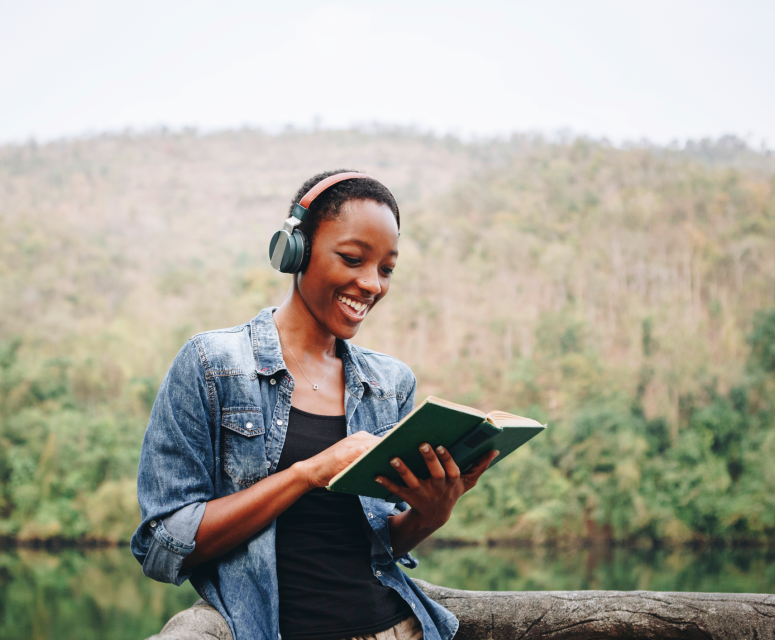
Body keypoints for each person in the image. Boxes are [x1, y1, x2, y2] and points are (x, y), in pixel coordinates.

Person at [131, 170, 499, 640]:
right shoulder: (212, 365)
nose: (372, 284)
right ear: (294, 250)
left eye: (386, 269)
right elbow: (163, 543)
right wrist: (307, 474)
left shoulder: (390, 383)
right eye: (352, 259)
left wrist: (432, 513)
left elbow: (378, 543)